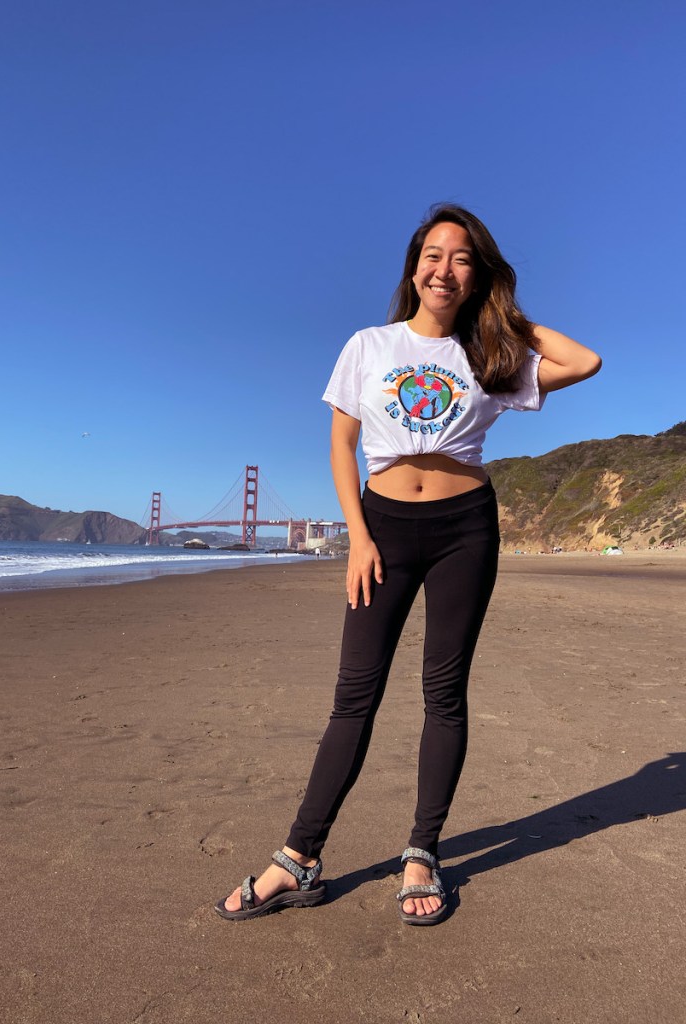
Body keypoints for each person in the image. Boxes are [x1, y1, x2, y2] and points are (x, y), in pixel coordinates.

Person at [215, 203, 601, 925]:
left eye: (461, 257)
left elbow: (585, 360)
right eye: (432, 254)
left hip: (465, 528)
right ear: (412, 266)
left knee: (443, 691)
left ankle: (422, 850)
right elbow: (341, 445)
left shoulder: (493, 354)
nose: (443, 268)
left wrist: (504, 313)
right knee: (353, 696)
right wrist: (359, 538)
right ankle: (298, 857)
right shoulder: (369, 345)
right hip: (384, 527)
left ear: (478, 274)